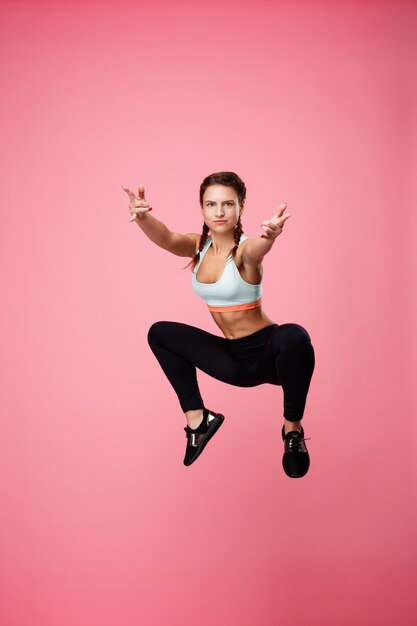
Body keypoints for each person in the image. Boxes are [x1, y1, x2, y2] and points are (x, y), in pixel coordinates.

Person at [122, 171, 315, 478]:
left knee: (294, 335)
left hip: (272, 356)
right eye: (211, 204)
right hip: (234, 361)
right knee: (160, 333)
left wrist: (271, 237)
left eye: (228, 204)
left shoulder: (245, 251)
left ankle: (292, 431)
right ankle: (198, 421)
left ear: (241, 207)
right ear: (202, 208)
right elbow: (167, 238)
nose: (220, 211)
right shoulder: (197, 246)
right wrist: (143, 218)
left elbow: (258, 251)